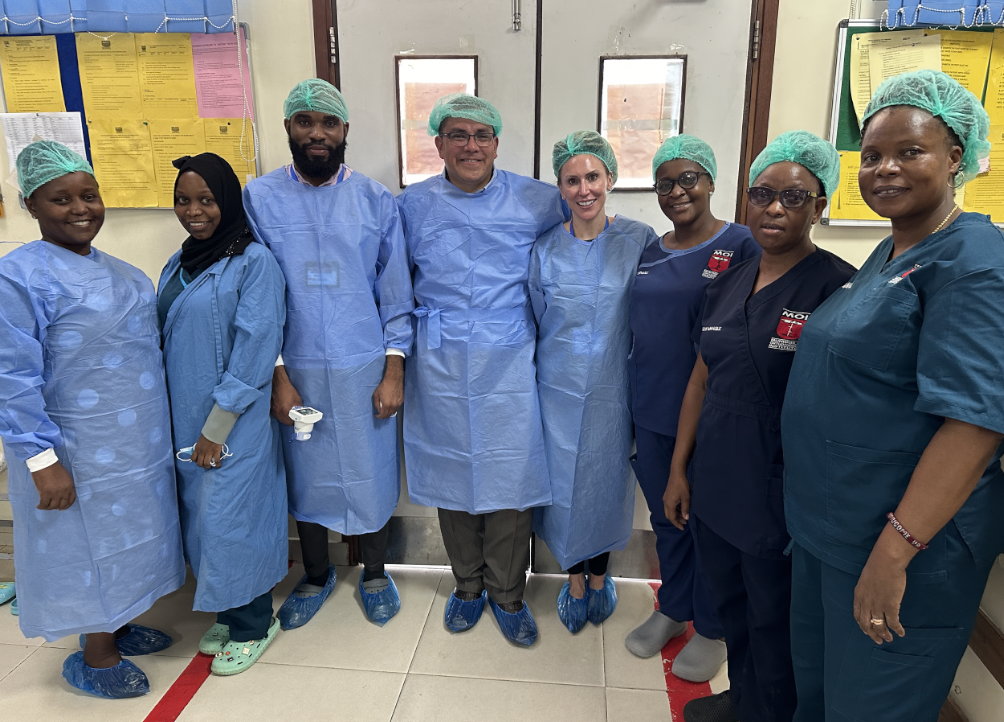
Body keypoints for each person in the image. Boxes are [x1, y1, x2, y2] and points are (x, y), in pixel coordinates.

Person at [784, 70, 1004, 722]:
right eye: (872, 155)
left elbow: (975, 423)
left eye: (910, 151)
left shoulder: (975, 262)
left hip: (901, 551)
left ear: (957, 157)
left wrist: (893, 552)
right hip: (831, 534)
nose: (886, 169)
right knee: (821, 699)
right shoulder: (892, 250)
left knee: (871, 709)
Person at [665, 131, 856, 722]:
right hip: (718, 477)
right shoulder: (726, 282)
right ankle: (744, 702)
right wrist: (678, 469)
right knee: (734, 607)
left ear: (820, 205)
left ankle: (770, 711)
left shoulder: (835, 286)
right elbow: (700, 377)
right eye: (763, 193)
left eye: (794, 197)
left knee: (776, 620)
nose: (774, 208)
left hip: (778, 488)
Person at [0, 141, 185, 698]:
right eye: (60, 199)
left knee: (131, 537)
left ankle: (120, 624)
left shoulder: (126, 274)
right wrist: (41, 459)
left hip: (136, 446)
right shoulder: (19, 277)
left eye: (89, 195)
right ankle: (95, 657)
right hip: (70, 447)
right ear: (31, 205)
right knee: (85, 546)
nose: (80, 208)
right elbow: (12, 379)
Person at [244, 78, 414, 629]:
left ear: (345, 131)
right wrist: (275, 375)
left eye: (329, 123)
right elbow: (256, 295)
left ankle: (373, 572)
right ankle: (314, 574)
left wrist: (394, 371)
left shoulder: (375, 199)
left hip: (363, 362)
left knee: (370, 468)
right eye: (305, 121)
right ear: (289, 128)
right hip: (292, 366)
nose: (317, 133)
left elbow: (395, 293)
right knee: (307, 469)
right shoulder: (259, 199)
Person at [396, 93, 566, 646]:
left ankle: (508, 592)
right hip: (439, 357)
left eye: (482, 135)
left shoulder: (539, 200)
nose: (471, 146)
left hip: (511, 357)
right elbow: (395, 283)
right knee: (452, 472)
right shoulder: (411, 205)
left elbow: (586, 236)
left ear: (497, 142)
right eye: (459, 135)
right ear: (439, 143)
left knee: (509, 477)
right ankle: (467, 585)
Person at [625, 134, 760, 682]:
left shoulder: (742, 244)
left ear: (710, 182)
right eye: (665, 183)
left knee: (707, 522)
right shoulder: (652, 249)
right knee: (666, 519)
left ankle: (713, 625)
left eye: (689, 179)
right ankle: (674, 608)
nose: (677, 191)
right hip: (651, 409)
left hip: (711, 415)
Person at [158, 153, 287, 677]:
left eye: (206, 199)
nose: (195, 211)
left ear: (228, 201)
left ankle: (256, 622)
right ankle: (231, 612)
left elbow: (255, 349)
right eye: (183, 200)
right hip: (183, 418)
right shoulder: (178, 262)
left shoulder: (254, 263)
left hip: (233, 423)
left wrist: (216, 427)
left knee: (235, 520)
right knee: (204, 522)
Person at [531, 131, 657, 634]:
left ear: (610, 179)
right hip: (555, 391)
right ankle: (573, 579)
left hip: (615, 390)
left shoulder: (640, 240)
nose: (584, 189)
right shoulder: (544, 250)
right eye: (572, 180)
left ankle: (600, 576)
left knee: (606, 483)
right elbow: (537, 318)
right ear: (560, 187)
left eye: (593, 177)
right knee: (562, 485)